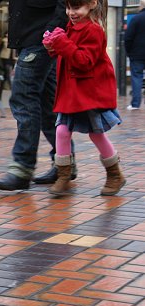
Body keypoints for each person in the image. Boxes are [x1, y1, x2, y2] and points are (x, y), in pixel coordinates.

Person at [0, 0, 77, 190]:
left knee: (24, 99)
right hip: (36, 39)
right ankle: (64, 163)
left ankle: (22, 168)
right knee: (47, 105)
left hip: (42, 38)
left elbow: (63, 2)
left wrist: (51, 31)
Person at [43, 0, 125, 196]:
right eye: (69, 7)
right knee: (62, 131)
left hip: (87, 94)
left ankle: (115, 174)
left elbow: (84, 61)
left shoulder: (94, 30)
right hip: (71, 94)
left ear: (91, 4)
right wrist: (53, 47)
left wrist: (61, 43)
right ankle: (64, 175)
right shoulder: (70, 27)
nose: (71, 12)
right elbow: (67, 56)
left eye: (76, 7)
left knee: (96, 133)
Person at [125, 0, 145, 111]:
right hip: (137, 53)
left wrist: (129, 52)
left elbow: (128, 37)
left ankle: (135, 104)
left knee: (137, 78)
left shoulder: (136, 19)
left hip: (137, 54)